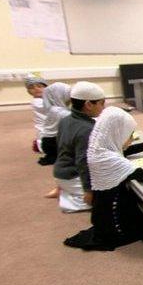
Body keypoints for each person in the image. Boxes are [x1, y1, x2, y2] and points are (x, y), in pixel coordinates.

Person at [64, 107, 143, 251]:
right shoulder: (111, 160)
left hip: (102, 207)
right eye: (129, 135)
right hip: (114, 218)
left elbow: (123, 150)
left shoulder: (98, 146)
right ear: (117, 133)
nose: (131, 139)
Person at [53, 82, 106, 213]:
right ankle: (69, 201)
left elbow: (60, 148)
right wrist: (89, 190)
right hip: (73, 175)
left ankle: (65, 189)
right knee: (109, 199)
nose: (103, 107)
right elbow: (83, 162)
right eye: (101, 103)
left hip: (60, 172)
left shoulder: (65, 120)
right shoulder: (86, 130)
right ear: (88, 104)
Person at [38, 82, 71, 166]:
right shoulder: (60, 112)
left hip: (47, 142)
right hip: (53, 143)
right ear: (59, 96)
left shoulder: (52, 109)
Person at [24, 76, 48, 153]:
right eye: (32, 87)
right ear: (29, 91)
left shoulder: (46, 99)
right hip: (45, 129)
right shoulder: (37, 102)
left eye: (40, 86)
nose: (36, 89)